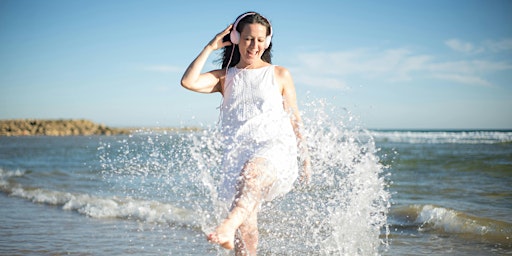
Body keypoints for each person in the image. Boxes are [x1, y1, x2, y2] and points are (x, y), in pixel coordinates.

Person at [181, 11, 311, 255]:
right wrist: (210, 46)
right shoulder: (225, 78)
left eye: (260, 40)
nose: (254, 45)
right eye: (249, 38)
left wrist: (306, 157)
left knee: (252, 175)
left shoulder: (279, 74)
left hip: (275, 151)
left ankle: (227, 226)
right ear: (236, 38)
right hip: (238, 156)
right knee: (248, 225)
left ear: (268, 41)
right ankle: (235, 234)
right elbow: (188, 82)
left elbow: (294, 117)